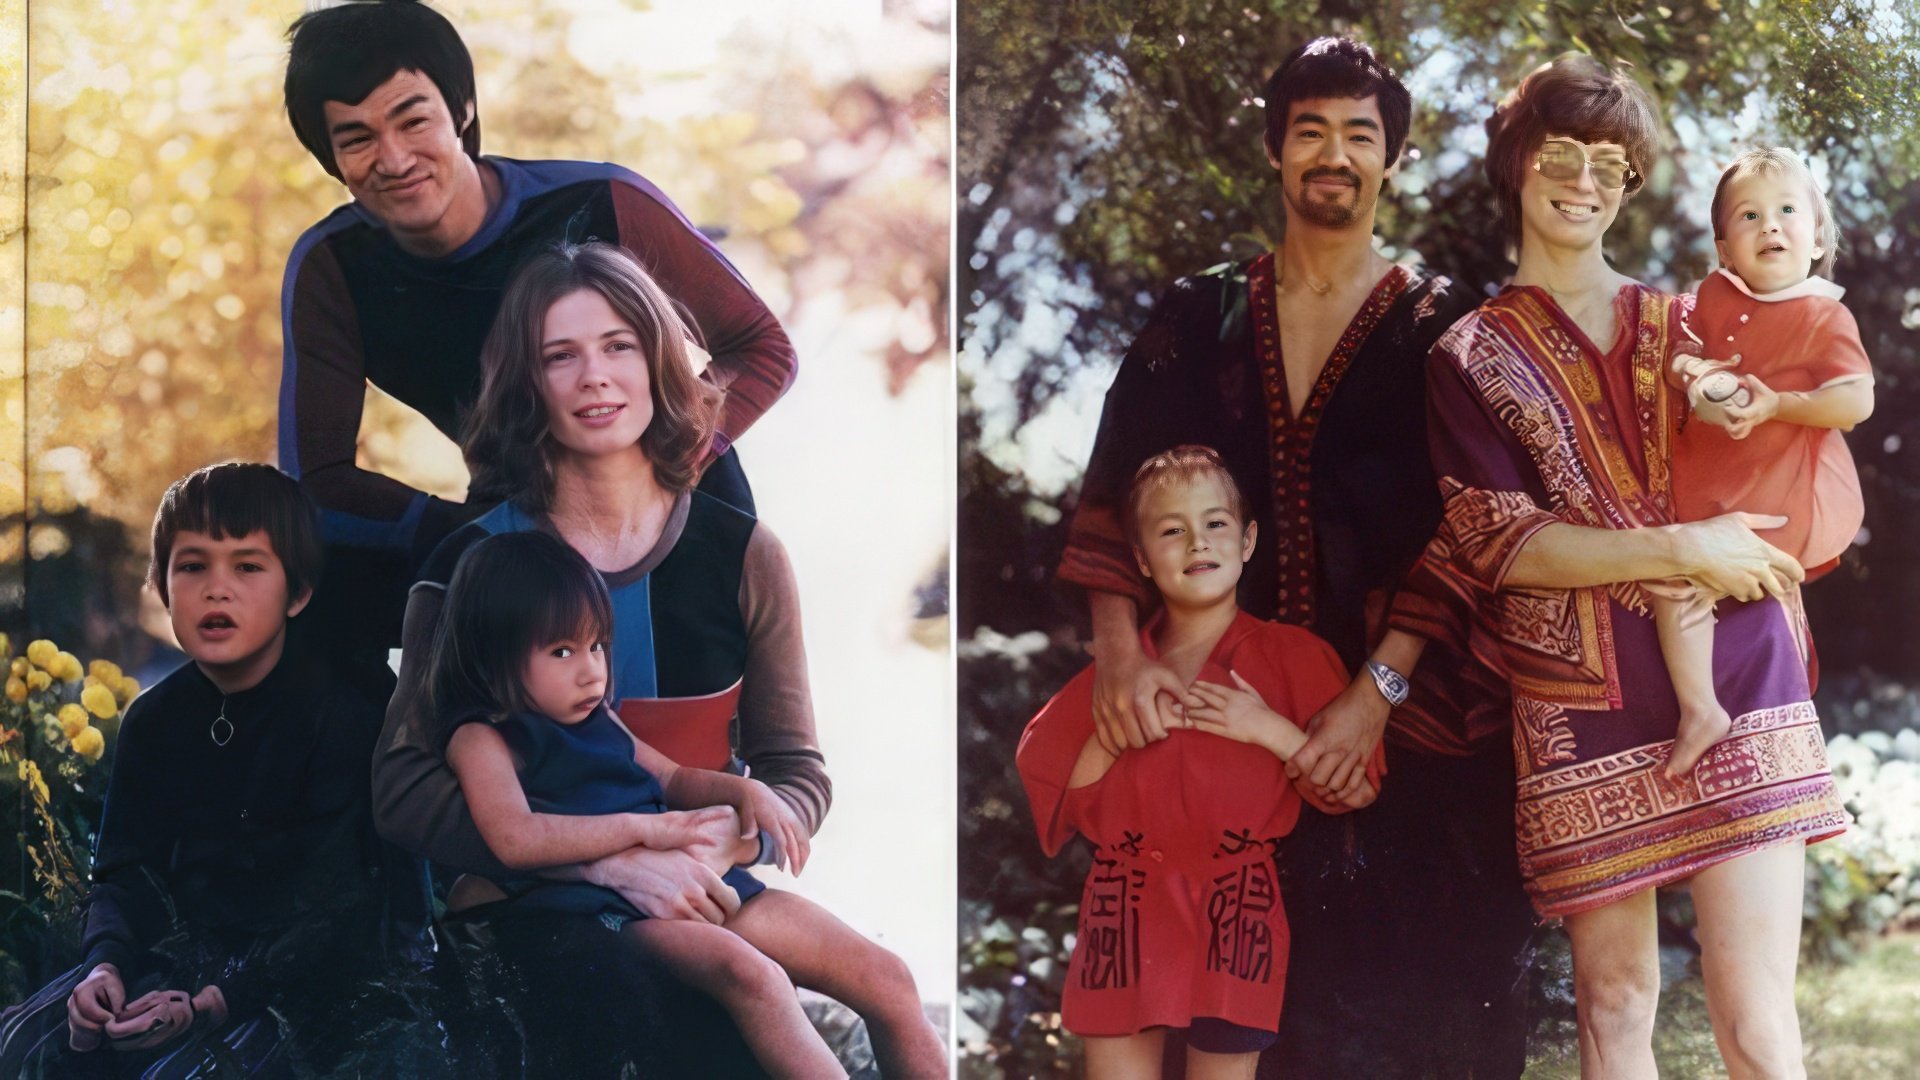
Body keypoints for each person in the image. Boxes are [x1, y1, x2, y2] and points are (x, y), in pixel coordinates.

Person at [1055, 37, 1529, 1078]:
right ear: (1274, 151)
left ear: (1391, 160)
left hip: (1411, 726)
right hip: (1222, 714)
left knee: (1430, 1006)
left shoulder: (1446, 325)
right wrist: (1120, 658)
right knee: (1250, 1018)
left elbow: (1474, 523)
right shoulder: (1201, 313)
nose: (1335, 153)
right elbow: (1112, 487)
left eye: (1360, 134)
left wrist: (1375, 695)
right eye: (1310, 130)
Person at [1394, 55, 1849, 1079]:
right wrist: (1682, 545)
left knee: (1756, 1023)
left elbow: (1799, 432)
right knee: (1615, 1006)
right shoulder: (1466, 355)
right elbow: (1498, 540)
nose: (1587, 178)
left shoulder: (1690, 321)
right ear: (1515, 163)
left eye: (1614, 160)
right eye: (1562, 151)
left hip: (1737, 664)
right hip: (1579, 702)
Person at [376, 241, 832, 1073]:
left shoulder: (745, 552)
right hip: (527, 909)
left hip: (703, 886)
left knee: (852, 996)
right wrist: (608, 861)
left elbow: (796, 772)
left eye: (619, 345)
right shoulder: (471, 562)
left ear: (661, 363)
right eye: (560, 356)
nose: (594, 376)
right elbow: (404, 788)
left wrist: (716, 849)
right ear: (525, 384)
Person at [279, 0, 793, 675]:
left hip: (676, 511)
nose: (395, 158)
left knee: (695, 757)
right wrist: (472, 536)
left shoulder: (601, 201)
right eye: (357, 138)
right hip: (511, 523)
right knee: (309, 583)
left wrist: (668, 464)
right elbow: (316, 478)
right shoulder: (332, 268)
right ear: (330, 158)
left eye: (413, 119)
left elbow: (762, 348)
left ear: (460, 107)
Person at [427, 530, 944, 1079]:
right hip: (603, 910)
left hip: (703, 882)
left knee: (886, 976)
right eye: (562, 652)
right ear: (493, 655)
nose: (592, 670)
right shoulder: (484, 738)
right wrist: (642, 832)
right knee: (754, 977)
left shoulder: (599, 717)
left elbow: (672, 777)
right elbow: (514, 839)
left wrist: (743, 790)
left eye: (596, 644)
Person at [1, 464, 386, 1077]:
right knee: (26, 1049)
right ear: (161, 584)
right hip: (174, 963)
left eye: (248, 566)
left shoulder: (340, 717)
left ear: (298, 593)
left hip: (294, 982)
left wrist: (212, 1003)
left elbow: (337, 908)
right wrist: (104, 966)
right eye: (192, 566)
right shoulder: (155, 718)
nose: (217, 589)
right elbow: (124, 872)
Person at [1021, 447, 1382, 1080]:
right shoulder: (1117, 673)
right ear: (1140, 559)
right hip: (1126, 899)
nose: (1196, 542)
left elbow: (1352, 790)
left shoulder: (1294, 656)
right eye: (1171, 530)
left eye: (1214, 523)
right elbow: (1064, 801)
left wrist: (1265, 728)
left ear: (1247, 542)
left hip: (1236, 902)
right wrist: (1114, 732)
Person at [1657, 147, 1874, 777]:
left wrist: (1779, 402)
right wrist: (1692, 372)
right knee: (1676, 579)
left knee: (1701, 583)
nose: (1770, 225)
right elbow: (1681, 348)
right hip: (1710, 484)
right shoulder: (1714, 297)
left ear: (1815, 238)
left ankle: (1713, 712)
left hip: (1778, 493)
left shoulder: (1823, 313)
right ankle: (1703, 708)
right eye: (1749, 216)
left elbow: (1854, 400)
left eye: (1786, 211)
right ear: (1725, 249)